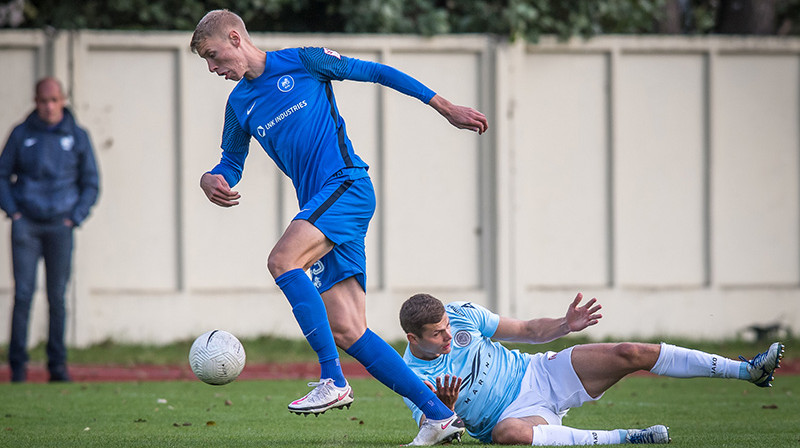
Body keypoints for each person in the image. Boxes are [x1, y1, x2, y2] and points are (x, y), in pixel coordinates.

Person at [189, 9, 488, 445]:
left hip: (345, 185)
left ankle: (333, 380)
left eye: (214, 57)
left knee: (281, 260)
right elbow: (231, 163)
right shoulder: (239, 105)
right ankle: (439, 416)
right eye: (207, 64)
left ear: (235, 38)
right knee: (348, 329)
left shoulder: (304, 61)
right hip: (322, 203)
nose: (214, 69)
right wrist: (212, 178)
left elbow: (376, 71)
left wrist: (443, 107)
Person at [399, 292, 785, 445]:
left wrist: (566, 325)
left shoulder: (461, 315)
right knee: (509, 435)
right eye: (437, 335)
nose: (448, 336)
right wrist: (444, 413)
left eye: (448, 328)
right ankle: (629, 437)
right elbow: (429, 434)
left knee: (630, 352)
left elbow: (530, 331)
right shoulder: (409, 374)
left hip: (539, 373)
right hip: (512, 417)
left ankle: (748, 370)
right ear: (414, 339)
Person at [0, 77, 100, 383]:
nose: (48, 107)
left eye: (54, 100)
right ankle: (17, 368)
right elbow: (2, 175)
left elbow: (91, 183)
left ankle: (57, 367)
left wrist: (75, 217)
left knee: (57, 297)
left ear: (63, 100)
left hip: (60, 225)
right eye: (43, 101)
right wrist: (13, 212)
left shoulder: (78, 135)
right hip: (26, 225)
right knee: (24, 295)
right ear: (35, 101)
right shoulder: (20, 134)